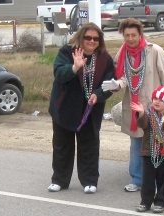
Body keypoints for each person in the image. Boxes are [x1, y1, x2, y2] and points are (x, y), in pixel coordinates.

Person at [102, 18, 164, 192]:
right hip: (134, 107)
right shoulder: (123, 53)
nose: (130, 39)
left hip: (154, 107)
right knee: (136, 143)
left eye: (133, 35)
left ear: (140, 34)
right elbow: (123, 78)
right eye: (126, 35)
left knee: (155, 144)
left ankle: (155, 182)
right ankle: (137, 179)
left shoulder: (154, 51)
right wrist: (117, 85)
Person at [48, 22, 115, 194]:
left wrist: (98, 94)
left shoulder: (104, 58)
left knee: (89, 146)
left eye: (96, 39)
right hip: (65, 107)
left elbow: (110, 84)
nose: (91, 41)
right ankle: (59, 180)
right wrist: (75, 67)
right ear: (81, 38)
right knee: (62, 145)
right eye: (88, 38)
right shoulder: (67, 52)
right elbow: (59, 74)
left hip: (90, 110)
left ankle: (89, 180)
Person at [130, 86, 164, 213]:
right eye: (155, 99)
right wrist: (141, 113)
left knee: (162, 179)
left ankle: (160, 202)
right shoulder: (148, 116)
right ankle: (145, 202)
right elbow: (142, 124)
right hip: (149, 153)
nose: (157, 102)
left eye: (161, 100)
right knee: (148, 179)